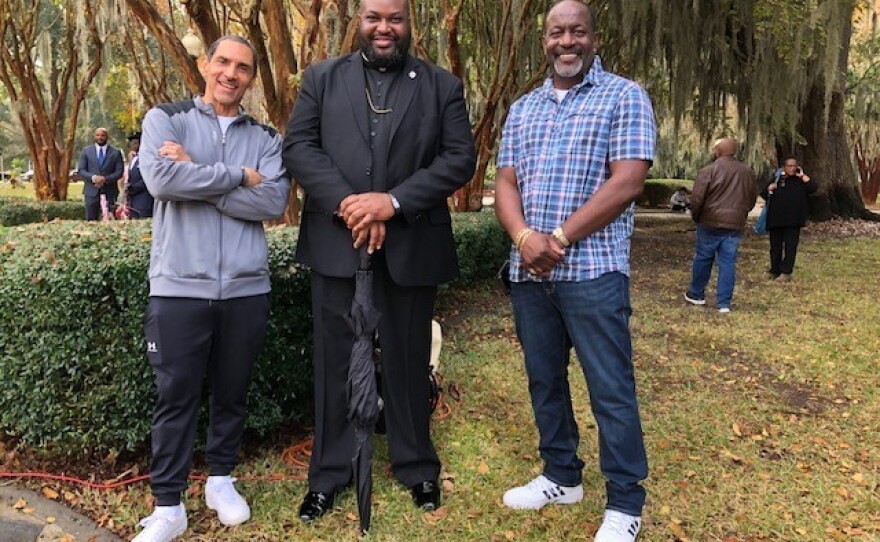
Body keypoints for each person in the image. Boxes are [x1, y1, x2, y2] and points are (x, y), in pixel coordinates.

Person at [282, 0, 476, 522]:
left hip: (410, 245)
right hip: (336, 243)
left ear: (409, 25)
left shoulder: (441, 85)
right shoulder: (322, 78)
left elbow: (459, 158)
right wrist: (353, 204)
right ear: (359, 23)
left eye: (395, 19)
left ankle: (416, 467)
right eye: (374, 17)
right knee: (334, 364)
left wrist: (390, 203)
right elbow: (299, 147)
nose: (383, 28)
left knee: (409, 361)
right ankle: (329, 473)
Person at [493, 2, 654, 541]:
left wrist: (558, 238)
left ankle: (626, 503)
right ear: (545, 40)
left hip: (594, 271)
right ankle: (562, 476)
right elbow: (507, 183)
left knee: (610, 387)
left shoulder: (624, 96)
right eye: (557, 32)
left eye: (577, 32)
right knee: (544, 381)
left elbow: (627, 181)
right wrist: (523, 238)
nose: (567, 41)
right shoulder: (523, 108)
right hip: (529, 274)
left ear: (593, 37)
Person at [132, 35, 290, 542]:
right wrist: (238, 177)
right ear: (205, 65)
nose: (231, 73)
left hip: (246, 289)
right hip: (179, 286)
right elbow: (158, 180)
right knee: (175, 396)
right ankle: (168, 505)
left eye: (242, 67)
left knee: (232, 391)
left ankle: (221, 478)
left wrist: (199, 179)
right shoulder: (166, 119)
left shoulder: (266, 138)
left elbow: (273, 202)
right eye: (222, 61)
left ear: (250, 78)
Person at [684, 138, 757, 313]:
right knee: (728, 262)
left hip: (709, 221)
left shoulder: (708, 170)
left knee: (703, 257)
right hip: (735, 224)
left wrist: (697, 217)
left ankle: (696, 294)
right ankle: (724, 303)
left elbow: (697, 198)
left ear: (718, 151)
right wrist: (741, 213)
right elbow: (751, 199)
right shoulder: (747, 172)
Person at [761, 157, 817, 281]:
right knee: (775, 247)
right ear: (784, 167)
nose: (792, 168)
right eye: (789, 166)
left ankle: (786, 272)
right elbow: (764, 194)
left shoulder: (800, 180)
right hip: (776, 218)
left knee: (790, 247)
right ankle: (774, 270)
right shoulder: (777, 179)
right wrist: (769, 189)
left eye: (794, 166)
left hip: (793, 220)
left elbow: (813, 188)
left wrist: (802, 176)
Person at [77, 127, 124, 220]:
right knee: (91, 220)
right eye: (98, 135)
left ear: (107, 137)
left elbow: (119, 172)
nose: (100, 137)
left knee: (111, 219)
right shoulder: (86, 151)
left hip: (110, 191)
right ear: (94, 136)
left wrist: (105, 179)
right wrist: (94, 178)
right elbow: (81, 170)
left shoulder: (116, 152)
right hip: (91, 191)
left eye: (103, 135)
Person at [124, 131, 154, 219]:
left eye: (136, 143)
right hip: (132, 199)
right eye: (132, 143)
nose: (133, 145)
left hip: (144, 198)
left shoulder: (148, 158)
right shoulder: (133, 158)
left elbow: (148, 177)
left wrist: (133, 188)